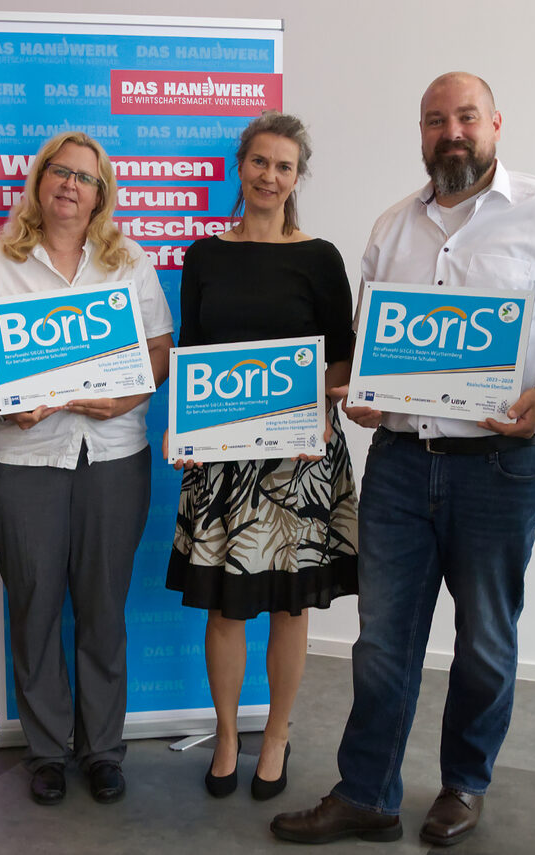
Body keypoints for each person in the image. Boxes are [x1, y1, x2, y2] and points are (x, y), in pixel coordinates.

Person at [271, 72, 535, 847]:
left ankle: (464, 785)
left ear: (496, 124)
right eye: (435, 120)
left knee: (485, 639)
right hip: (402, 461)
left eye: (465, 117)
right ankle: (366, 791)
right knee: (381, 640)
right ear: (421, 133)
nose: (452, 132)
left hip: (501, 468)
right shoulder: (392, 227)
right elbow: (374, 348)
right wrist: (362, 392)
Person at [0, 131, 173, 807]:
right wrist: (1, 398)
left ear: (101, 192)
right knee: (36, 606)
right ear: (39, 182)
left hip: (112, 457)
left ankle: (102, 749)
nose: (70, 185)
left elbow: (160, 351)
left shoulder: (128, 263)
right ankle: (47, 750)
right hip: (23, 461)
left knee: (104, 608)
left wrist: (128, 394)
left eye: (84, 177)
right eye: (59, 173)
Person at [164, 111, 358, 802]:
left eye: (283, 166)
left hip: (299, 460)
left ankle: (276, 733)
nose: (270, 176)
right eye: (259, 162)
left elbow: (341, 353)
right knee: (224, 608)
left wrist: (328, 411)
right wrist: (186, 432)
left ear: (297, 177)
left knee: (290, 608)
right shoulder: (204, 255)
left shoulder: (321, 257)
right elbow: (191, 352)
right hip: (220, 459)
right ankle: (225, 734)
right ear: (240, 169)